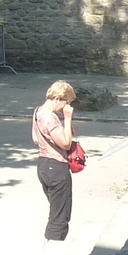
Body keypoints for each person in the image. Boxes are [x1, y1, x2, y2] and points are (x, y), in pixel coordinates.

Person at [32, 80, 78, 242]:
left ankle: (50, 247)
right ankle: (52, 254)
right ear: (58, 98)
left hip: (43, 165)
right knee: (60, 216)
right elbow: (65, 143)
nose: (67, 107)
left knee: (55, 210)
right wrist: (67, 119)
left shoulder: (38, 112)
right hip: (56, 167)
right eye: (67, 102)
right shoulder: (50, 118)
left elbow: (35, 139)